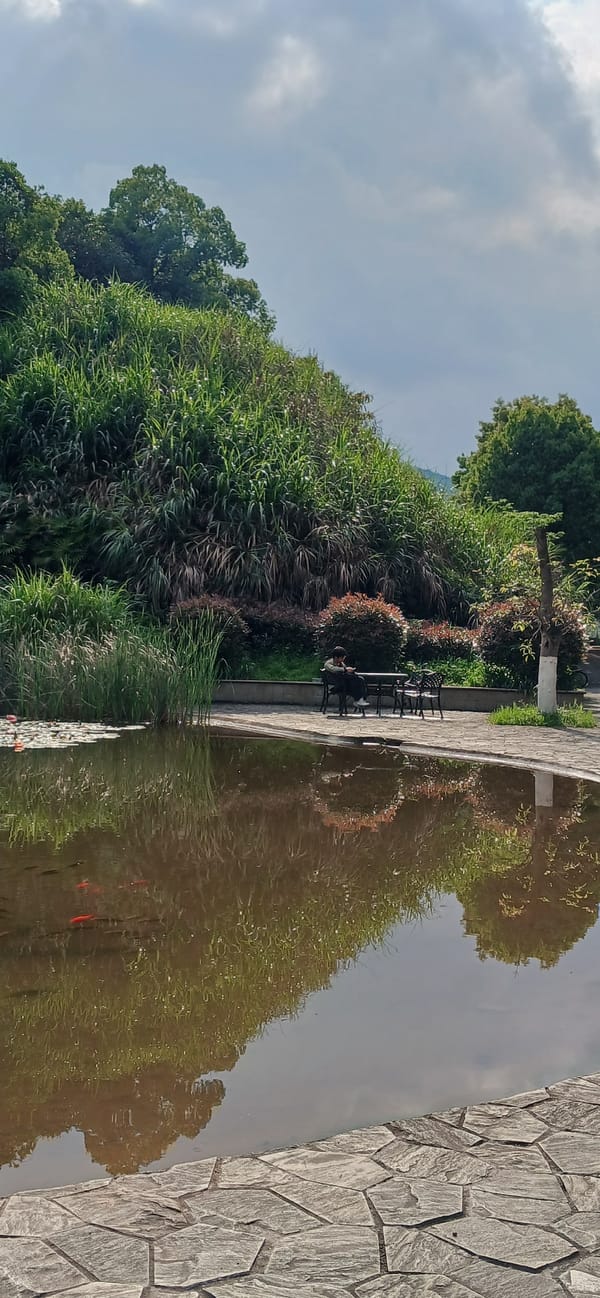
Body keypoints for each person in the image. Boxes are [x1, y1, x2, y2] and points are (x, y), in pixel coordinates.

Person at [323, 646, 370, 710]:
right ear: (336, 657)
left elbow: (345, 672)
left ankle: (360, 699)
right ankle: (359, 700)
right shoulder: (328, 663)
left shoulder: (341, 663)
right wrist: (345, 669)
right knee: (358, 681)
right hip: (337, 686)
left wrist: (350, 671)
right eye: (342, 658)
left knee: (360, 679)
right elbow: (333, 669)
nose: (343, 659)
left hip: (345, 684)